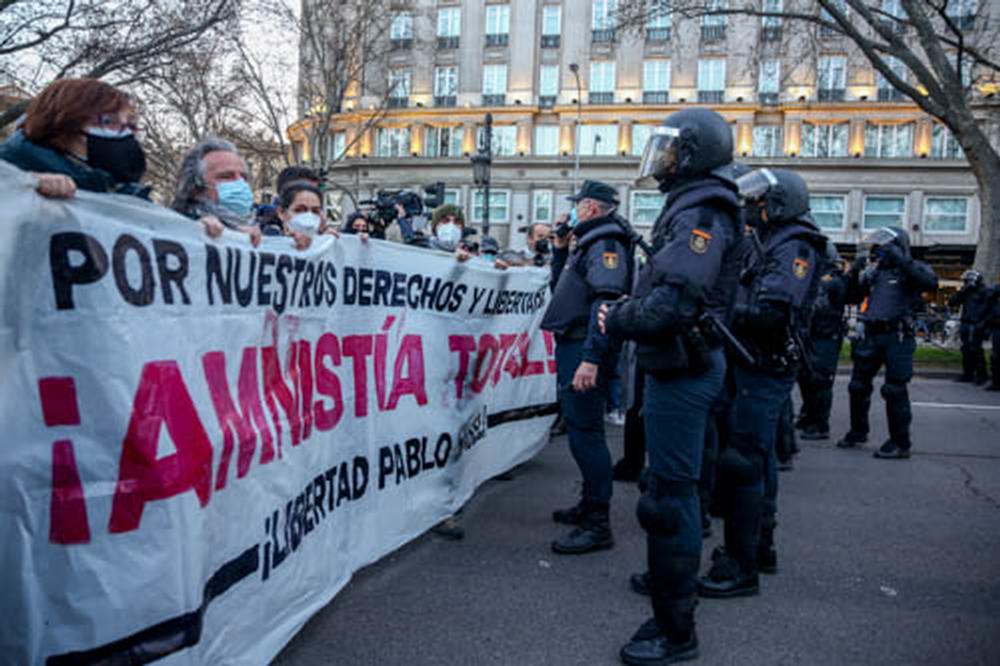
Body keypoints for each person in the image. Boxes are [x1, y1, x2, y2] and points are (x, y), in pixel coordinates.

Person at [599, 108, 744, 665]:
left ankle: (676, 631)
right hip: (679, 366)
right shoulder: (695, 204)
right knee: (671, 491)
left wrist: (621, 317)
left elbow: (674, 301)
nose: (658, 160)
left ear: (693, 152)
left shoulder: (703, 209)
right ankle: (670, 610)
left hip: (683, 368)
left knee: (668, 498)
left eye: (667, 149)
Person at [697, 168, 826, 599]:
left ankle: (741, 566)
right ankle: (758, 546)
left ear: (778, 203)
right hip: (749, 361)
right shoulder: (769, 240)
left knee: (743, 463)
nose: (750, 208)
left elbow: (773, 313)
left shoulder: (796, 244)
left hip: (764, 364)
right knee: (757, 460)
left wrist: (716, 312)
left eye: (757, 202)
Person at [541, 180, 632, 556]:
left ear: (592, 208)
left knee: (586, 433)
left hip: (583, 345)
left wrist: (591, 358)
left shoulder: (605, 244)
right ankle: (588, 504)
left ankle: (598, 523)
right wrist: (561, 250)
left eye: (579, 206)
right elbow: (564, 286)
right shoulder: (590, 242)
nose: (575, 211)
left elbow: (605, 303)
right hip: (576, 342)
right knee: (581, 430)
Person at [836, 227, 938, 459]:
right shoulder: (875, 273)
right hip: (871, 334)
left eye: (883, 247)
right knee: (857, 386)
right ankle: (858, 431)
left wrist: (901, 260)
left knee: (894, 390)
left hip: (898, 336)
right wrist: (854, 273)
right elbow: (850, 298)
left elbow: (930, 283)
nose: (878, 251)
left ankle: (900, 442)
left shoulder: (911, 268)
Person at [0, 78, 149, 199]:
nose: (127, 133)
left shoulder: (125, 195)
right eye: (108, 122)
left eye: (131, 123)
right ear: (62, 126)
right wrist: (20, 184)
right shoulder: (12, 176)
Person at [796, 241, 850, 440]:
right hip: (812, 333)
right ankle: (808, 415)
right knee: (806, 377)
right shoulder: (817, 275)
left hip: (826, 334)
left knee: (820, 381)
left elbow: (820, 305)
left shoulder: (834, 279)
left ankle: (820, 424)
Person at [170, 137, 262, 246]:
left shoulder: (262, 234)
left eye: (244, 177)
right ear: (196, 190)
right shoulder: (171, 229)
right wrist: (193, 231)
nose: (240, 183)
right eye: (226, 176)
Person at [949, 270, 991, 384]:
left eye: (967, 281)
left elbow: (988, 309)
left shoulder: (985, 292)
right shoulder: (966, 292)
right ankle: (968, 374)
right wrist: (963, 291)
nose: (966, 282)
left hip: (977, 323)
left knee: (976, 350)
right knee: (966, 349)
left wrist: (984, 324)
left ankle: (981, 375)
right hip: (966, 323)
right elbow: (952, 302)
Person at [275, 182, 339, 250]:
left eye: (315, 211)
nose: (309, 216)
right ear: (281, 213)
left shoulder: (325, 243)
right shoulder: (266, 242)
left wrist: (325, 244)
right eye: (299, 210)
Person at [986, 278, 1000, 391]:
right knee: (996, 356)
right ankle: (996, 382)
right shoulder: (995, 292)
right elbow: (988, 297)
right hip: (997, 326)